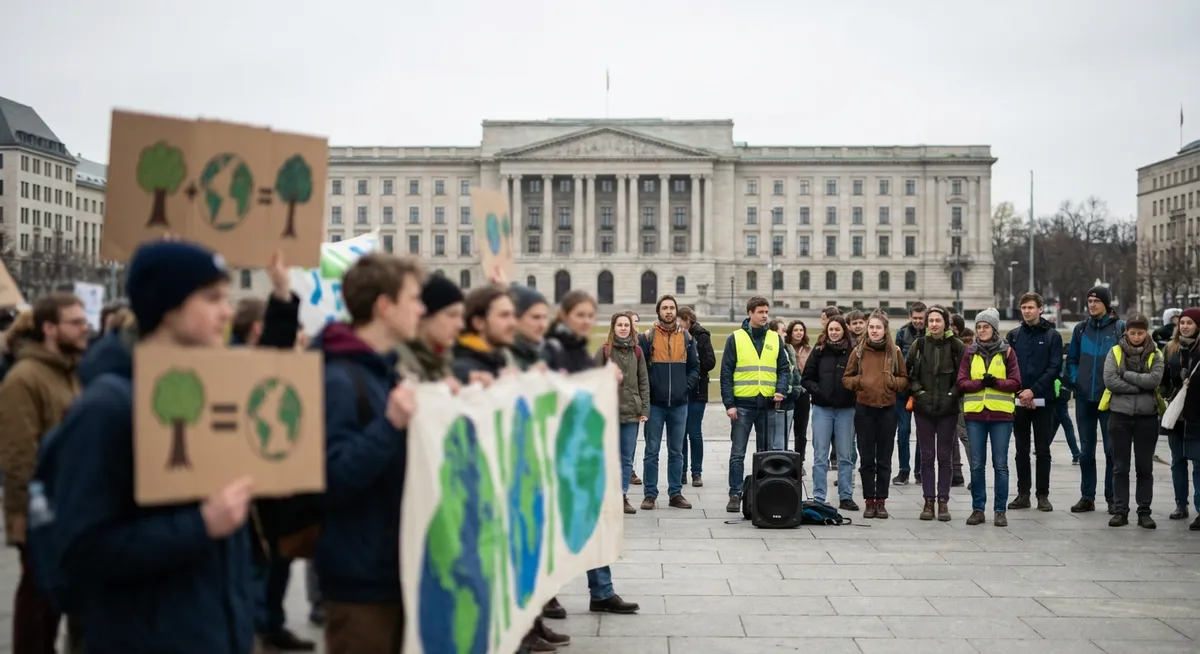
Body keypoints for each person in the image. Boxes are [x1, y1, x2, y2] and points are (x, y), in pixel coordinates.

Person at [51, 241, 253, 653]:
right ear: (169, 307)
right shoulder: (106, 407)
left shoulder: (210, 393)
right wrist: (201, 525)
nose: (227, 313)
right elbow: (81, 550)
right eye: (212, 298)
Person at [313, 253, 424, 654]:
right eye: (413, 298)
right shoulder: (338, 377)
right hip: (360, 580)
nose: (421, 309)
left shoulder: (382, 371)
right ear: (384, 306)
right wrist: (390, 424)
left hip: (392, 569)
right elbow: (331, 477)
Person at [229, 259, 314, 653]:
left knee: (273, 566)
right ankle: (257, 629)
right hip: (244, 497)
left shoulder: (255, 360)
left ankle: (270, 626)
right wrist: (281, 295)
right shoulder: (229, 364)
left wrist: (281, 294)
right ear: (256, 329)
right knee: (255, 572)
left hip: (271, 490)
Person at [0, 292, 89, 654]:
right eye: (76, 322)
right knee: (38, 605)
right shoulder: (24, 379)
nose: (86, 328)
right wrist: (20, 517)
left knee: (62, 599)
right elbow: (19, 455)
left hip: (73, 507)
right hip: (42, 512)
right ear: (50, 328)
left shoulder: (71, 372)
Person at [544, 292, 640, 620]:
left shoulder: (575, 350)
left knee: (593, 521)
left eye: (590, 315)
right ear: (564, 316)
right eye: (579, 315)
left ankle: (602, 592)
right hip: (557, 451)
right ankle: (546, 595)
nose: (586, 321)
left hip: (581, 449)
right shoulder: (552, 350)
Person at [720, 296, 790, 513]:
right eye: (760, 312)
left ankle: (763, 492)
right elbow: (726, 373)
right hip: (742, 405)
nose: (765, 315)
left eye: (766, 311)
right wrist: (729, 404)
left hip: (767, 404)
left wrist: (780, 389)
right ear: (750, 313)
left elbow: (784, 369)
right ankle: (735, 494)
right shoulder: (735, 338)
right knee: (738, 453)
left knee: (766, 453)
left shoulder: (775, 338)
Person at [957, 308, 1022, 527]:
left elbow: (1016, 382)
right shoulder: (969, 352)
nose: (982, 330)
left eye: (986, 326)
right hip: (975, 415)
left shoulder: (1007, 352)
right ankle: (978, 509)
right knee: (976, 465)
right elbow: (961, 382)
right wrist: (979, 384)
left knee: (1000, 464)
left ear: (994, 329)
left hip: (1001, 415)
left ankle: (1000, 510)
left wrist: (995, 382)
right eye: (979, 327)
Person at [1065, 286, 1125, 514]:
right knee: (1086, 451)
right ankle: (1087, 496)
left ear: (1106, 304)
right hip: (1084, 399)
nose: (1092, 305)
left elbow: (1126, 360)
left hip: (1109, 399)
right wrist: (1076, 379)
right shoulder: (1081, 329)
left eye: (1096, 301)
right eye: (1089, 301)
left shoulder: (1119, 329)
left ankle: (1112, 497)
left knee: (1111, 451)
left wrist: (1116, 385)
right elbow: (1071, 359)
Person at [1101, 314, 1164, 528]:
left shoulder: (1156, 353)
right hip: (1120, 415)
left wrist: (1126, 375)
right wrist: (1138, 387)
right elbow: (1110, 381)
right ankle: (1121, 510)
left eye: (1140, 333)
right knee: (1120, 467)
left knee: (1144, 467)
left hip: (1147, 417)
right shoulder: (1115, 352)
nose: (1136, 337)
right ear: (1126, 332)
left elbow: (1154, 380)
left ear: (1147, 332)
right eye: (1133, 332)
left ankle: (1144, 511)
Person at [843, 310, 907, 519]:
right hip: (864, 410)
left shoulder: (894, 352)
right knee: (867, 459)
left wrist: (891, 383)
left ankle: (881, 501)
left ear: (885, 329)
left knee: (884, 459)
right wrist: (860, 382)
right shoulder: (858, 351)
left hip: (887, 410)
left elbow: (904, 378)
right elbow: (847, 378)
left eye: (878, 327)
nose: (874, 331)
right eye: (871, 327)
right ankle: (869, 501)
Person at [637, 295, 699, 510]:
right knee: (651, 451)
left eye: (672, 308)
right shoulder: (647, 337)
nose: (669, 311)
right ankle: (650, 494)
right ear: (658, 312)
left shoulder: (687, 338)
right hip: (655, 404)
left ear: (676, 311)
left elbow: (695, 367)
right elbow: (640, 371)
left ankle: (675, 493)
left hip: (679, 405)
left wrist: (685, 386)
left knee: (676, 452)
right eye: (665, 308)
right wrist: (649, 392)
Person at [1005, 293, 1063, 513]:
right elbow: (1009, 367)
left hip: (1043, 401)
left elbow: (1054, 367)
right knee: (1021, 450)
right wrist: (1021, 393)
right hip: (1019, 400)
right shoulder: (1014, 336)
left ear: (1040, 309)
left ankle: (1042, 495)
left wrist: (1033, 390)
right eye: (1024, 307)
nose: (1027, 311)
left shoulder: (1052, 336)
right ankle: (1023, 494)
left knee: (1043, 450)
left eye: (1030, 307)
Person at [905, 305, 964, 522]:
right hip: (924, 409)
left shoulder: (957, 346)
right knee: (927, 456)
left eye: (938, 320)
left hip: (948, 410)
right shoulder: (919, 345)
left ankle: (943, 501)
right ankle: (928, 500)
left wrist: (952, 395)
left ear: (945, 323)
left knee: (944, 457)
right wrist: (919, 392)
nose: (934, 324)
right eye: (931, 320)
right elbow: (909, 372)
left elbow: (963, 377)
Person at [801, 316, 857, 511]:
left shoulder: (853, 352)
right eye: (831, 329)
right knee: (820, 456)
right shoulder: (818, 351)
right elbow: (806, 378)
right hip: (822, 409)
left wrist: (850, 392)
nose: (834, 333)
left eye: (837, 329)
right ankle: (819, 496)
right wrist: (818, 391)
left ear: (844, 331)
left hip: (846, 410)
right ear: (826, 331)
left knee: (845, 456)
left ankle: (846, 496)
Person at [596, 312, 649, 514]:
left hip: (631, 412)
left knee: (626, 459)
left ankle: (622, 496)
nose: (624, 328)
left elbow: (643, 381)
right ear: (614, 327)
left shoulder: (637, 351)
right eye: (620, 325)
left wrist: (644, 408)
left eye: (626, 325)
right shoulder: (604, 351)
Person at [1160, 307, 1200, 528]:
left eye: (1189, 323)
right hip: (1176, 414)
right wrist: (1167, 392)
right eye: (1182, 322)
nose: (1184, 326)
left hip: (1196, 414)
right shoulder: (1171, 348)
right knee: (1177, 461)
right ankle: (1180, 504)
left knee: (1198, 462)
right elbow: (1164, 377)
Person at [395, 273, 465, 382]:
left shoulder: (440, 359)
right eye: (451, 315)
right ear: (423, 315)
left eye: (461, 316)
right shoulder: (398, 360)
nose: (461, 325)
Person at [678, 306, 715, 488]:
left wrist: (692, 364)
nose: (677, 324)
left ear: (687, 319)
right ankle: (682, 471)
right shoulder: (676, 335)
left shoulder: (701, 336)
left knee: (694, 432)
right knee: (681, 433)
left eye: (679, 320)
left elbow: (710, 362)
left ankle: (696, 472)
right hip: (680, 391)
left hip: (698, 391)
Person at [451, 285, 518, 384]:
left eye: (514, 315)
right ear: (479, 323)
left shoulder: (497, 361)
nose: (513, 323)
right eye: (504, 315)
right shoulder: (465, 372)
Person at [893, 302, 927, 486]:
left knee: (922, 432)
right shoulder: (902, 333)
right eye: (915, 318)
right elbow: (896, 361)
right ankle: (903, 470)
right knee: (903, 431)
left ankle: (920, 471)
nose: (918, 321)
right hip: (904, 390)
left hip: (923, 390)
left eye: (921, 318)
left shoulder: (930, 333)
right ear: (910, 317)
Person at [769, 318, 802, 452]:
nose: (785, 334)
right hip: (777, 399)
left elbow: (794, 372)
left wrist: (795, 390)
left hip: (789, 399)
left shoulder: (788, 348)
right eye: (782, 331)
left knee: (782, 440)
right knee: (774, 441)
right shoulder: (770, 350)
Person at [950, 313, 975, 486]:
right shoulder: (947, 344)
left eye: (953, 325)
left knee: (964, 435)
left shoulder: (965, 346)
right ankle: (956, 474)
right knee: (951, 437)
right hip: (949, 395)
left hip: (962, 395)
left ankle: (975, 473)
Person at [787, 320, 813, 468]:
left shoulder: (809, 350)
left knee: (801, 430)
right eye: (796, 330)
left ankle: (800, 461)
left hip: (803, 393)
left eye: (801, 330)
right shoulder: (785, 347)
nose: (799, 333)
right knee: (785, 428)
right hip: (788, 393)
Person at [508, 285, 551, 372]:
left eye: (545, 317)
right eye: (536, 317)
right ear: (515, 318)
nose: (542, 325)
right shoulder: (501, 356)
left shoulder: (548, 353)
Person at [628, 311, 643, 488]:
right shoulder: (608, 347)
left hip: (634, 400)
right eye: (632, 322)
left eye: (636, 322)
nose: (634, 325)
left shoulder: (641, 345)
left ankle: (629, 470)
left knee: (631, 439)